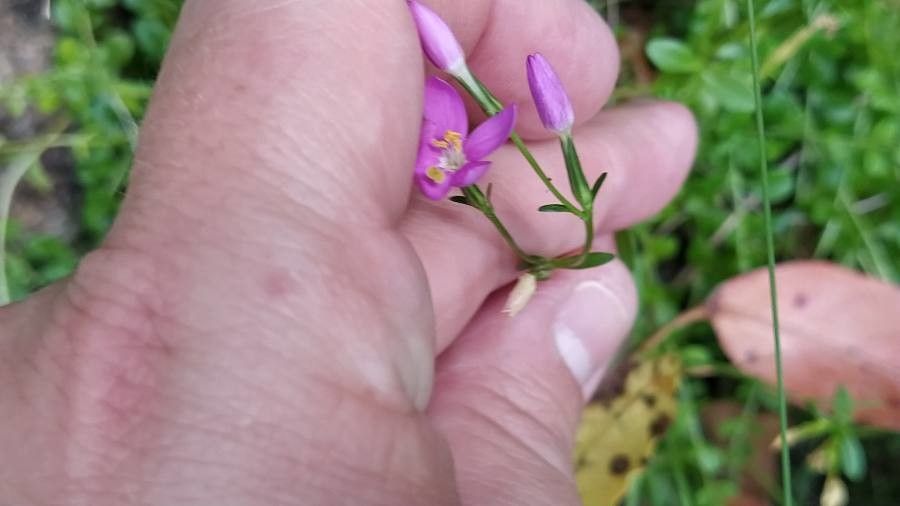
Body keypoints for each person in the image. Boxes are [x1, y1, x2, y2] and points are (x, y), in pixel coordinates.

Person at [0, 1, 696, 504]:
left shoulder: (481, 151)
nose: (444, 153)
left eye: (449, 151)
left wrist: (458, 168)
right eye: (443, 152)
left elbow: (479, 146)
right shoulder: (468, 160)